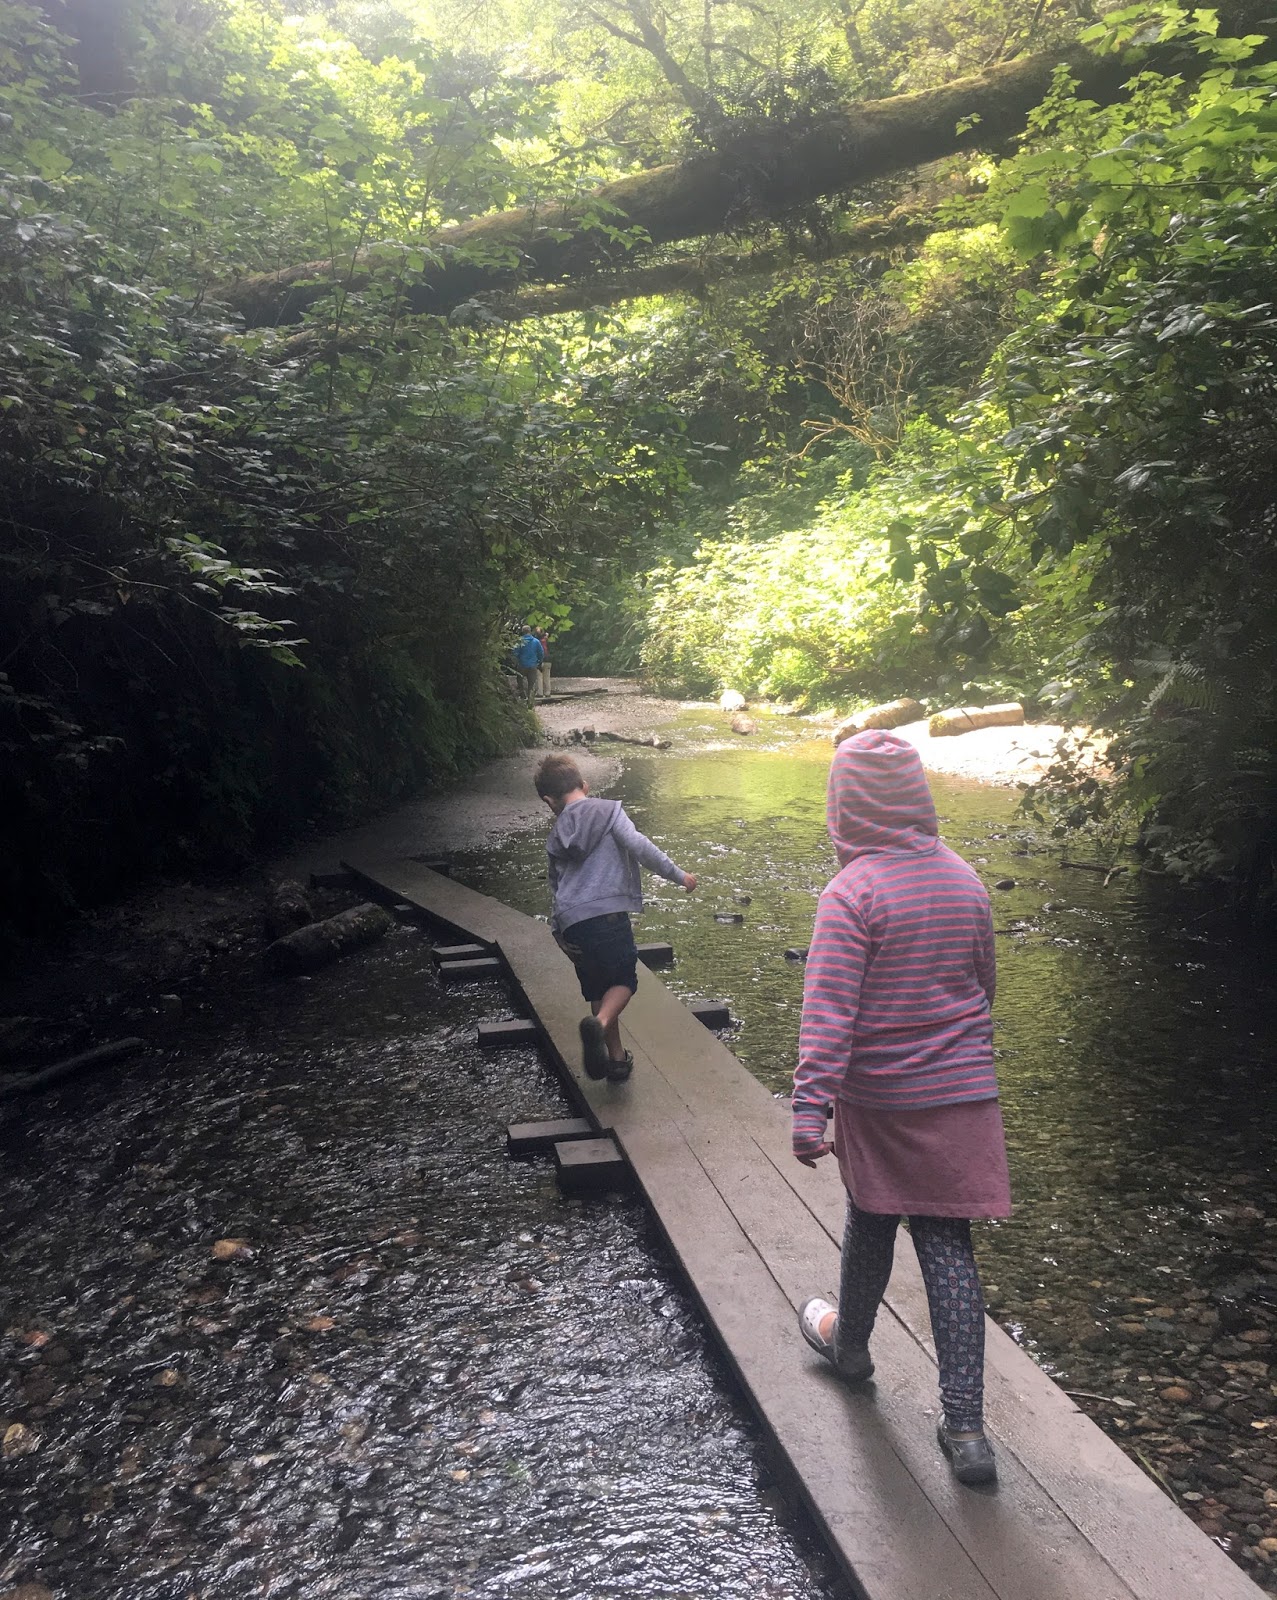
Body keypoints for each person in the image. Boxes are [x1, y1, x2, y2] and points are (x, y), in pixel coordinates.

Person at [790, 728, 1010, 1487]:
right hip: (962, 1094)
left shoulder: (852, 893)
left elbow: (829, 1014)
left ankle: (850, 1348)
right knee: (948, 1244)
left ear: (844, 808)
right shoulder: (964, 879)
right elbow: (983, 983)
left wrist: (809, 1108)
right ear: (918, 797)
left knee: (871, 1215)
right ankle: (966, 1428)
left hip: (883, 1096)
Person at [535, 754, 697, 1082]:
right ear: (584, 786)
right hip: (608, 917)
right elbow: (640, 847)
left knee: (599, 989)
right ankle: (599, 1024)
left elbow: (556, 885)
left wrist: (557, 931)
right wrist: (678, 875)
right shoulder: (609, 812)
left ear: (549, 801)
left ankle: (616, 1059)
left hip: (572, 922)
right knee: (624, 982)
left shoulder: (555, 836)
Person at [512, 625, 544, 703]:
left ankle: (522, 696)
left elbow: (514, 653)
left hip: (522, 665)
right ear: (530, 631)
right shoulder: (536, 641)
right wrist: (539, 662)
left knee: (520, 681)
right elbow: (541, 653)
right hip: (533, 665)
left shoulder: (519, 641)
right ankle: (530, 700)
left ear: (522, 632)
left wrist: (516, 662)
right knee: (531, 684)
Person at [536, 628, 552, 698]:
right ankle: (547, 692)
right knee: (547, 677)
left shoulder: (537, 642)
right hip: (548, 660)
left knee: (539, 677)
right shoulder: (547, 642)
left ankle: (540, 692)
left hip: (539, 661)